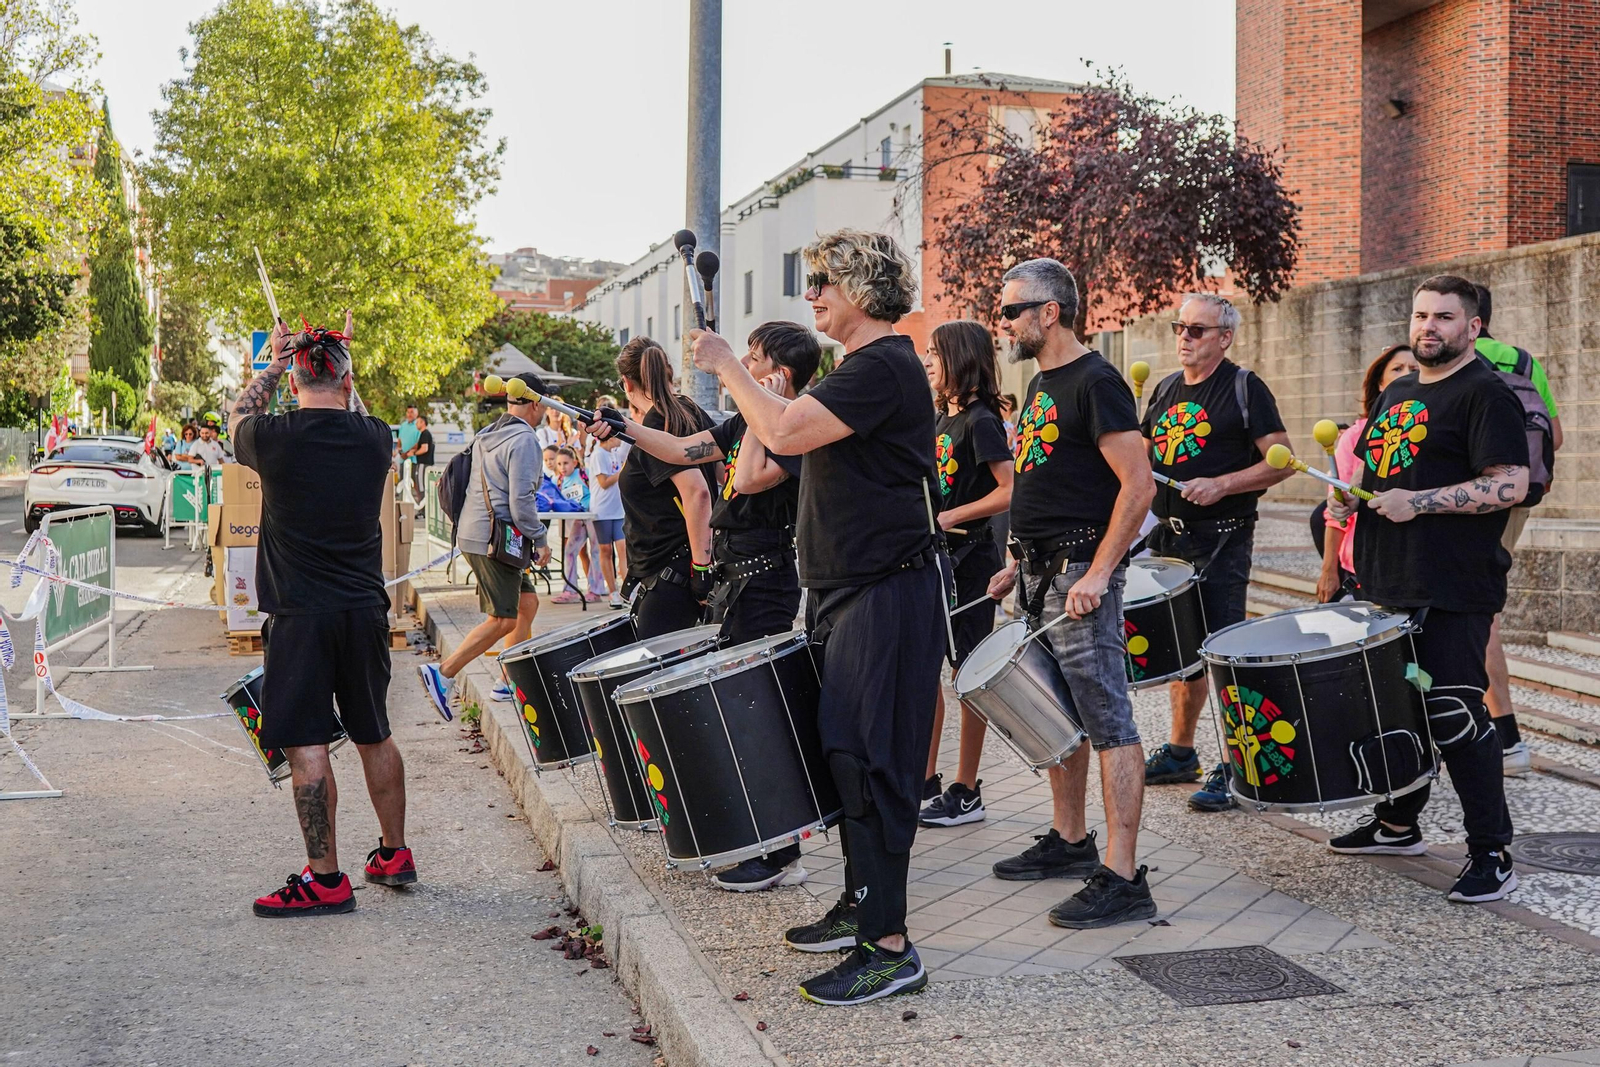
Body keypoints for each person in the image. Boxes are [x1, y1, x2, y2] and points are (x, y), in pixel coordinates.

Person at [690, 229, 942, 1006]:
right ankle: (863, 905)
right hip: (845, 593)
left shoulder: (885, 364)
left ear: (863, 289)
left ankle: (889, 946)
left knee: (873, 763)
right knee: (842, 759)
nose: (812, 295)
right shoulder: (858, 369)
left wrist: (730, 365)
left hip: (886, 595)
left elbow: (784, 430)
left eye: (824, 280)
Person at [586, 321, 822, 892]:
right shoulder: (751, 417)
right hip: (735, 581)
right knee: (737, 710)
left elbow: (743, 477)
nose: (740, 362)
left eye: (752, 358)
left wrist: (759, 394)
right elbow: (680, 451)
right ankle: (758, 835)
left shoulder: (795, 425)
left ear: (779, 375)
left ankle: (780, 849)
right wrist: (625, 428)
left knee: (759, 712)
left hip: (767, 583)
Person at [1325, 275, 1526, 904]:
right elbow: (1385, 474)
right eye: (1420, 316)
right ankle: (1397, 824)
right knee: (1394, 712)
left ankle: (1492, 850)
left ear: (1473, 328)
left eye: (1444, 317)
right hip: (1387, 578)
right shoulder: (1401, 392)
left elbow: (1511, 483)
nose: (1428, 327)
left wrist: (1424, 502)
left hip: (1453, 585)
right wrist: (1350, 493)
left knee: (1456, 714)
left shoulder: (1486, 395)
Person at [980, 259, 1158, 925]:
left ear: (1048, 311)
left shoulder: (1097, 381)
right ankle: (1071, 840)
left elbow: (1138, 485)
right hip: (1038, 575)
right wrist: (1016, 559)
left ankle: (1123, 873)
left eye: (1012, 311)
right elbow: (1048, 482)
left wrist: (1100, 571)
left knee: (1107, 720)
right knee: (1058, 717)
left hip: (1079, 577)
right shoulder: (1042, 383)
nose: (1005, 323)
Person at [230, 315, 416, 916]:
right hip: (364, 609)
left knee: (306, 742)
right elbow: (353, 402)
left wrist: (275, 362)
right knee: (373, 731)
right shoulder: (375, 437)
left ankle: (325, 878)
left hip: (301, 614)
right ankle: (394, 852)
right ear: (348, 379)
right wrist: (330, 352)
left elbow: (236, 417)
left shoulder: (274, 438)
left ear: (294, 384)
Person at [1139, 293, 1292, 812]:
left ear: (1224, 338)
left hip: (1223, 539)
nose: (1184, 337)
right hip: (1170, 539)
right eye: (1179, 327)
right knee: (1183, 652)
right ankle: (1182, 752)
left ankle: (1240, 764)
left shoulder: (1245, 387)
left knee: (1225, 654)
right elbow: (1143, 451)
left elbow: (1283, 460)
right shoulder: (1163, 389)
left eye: (1197, 330)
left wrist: (1224, 483)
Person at [917, 320, 1013, 828]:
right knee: (927, 669)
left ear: (961, 358)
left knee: (968, 677)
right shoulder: (937, 419)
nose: (928, 360)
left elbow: (1007, 488)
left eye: (935, 352)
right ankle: (925, 779)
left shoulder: (981, 421)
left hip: (973, 563)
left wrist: (953, 516)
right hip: (937, 563)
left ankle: (967, 788)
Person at [418, 371, 553, 720]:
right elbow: (521, 500)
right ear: (536, 403)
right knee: (502, 620)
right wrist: (540, 539)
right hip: (497, 539)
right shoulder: (524, 441)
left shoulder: (488, 433)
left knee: (526, 603)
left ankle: (507, 681)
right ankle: (443, 673)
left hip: (477, 533)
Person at [1472, 283, 1561, 777]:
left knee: (1476, 613)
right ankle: (1500, 735)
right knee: (1482, 607)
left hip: (1459, 500)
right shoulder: (1523, 362)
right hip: (1517, 499)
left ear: (1468, 320)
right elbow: (1557, 436)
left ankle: (1502, 735)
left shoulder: (1444, 360)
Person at [613, 337, 716, 638]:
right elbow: (723, 474)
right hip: (676, 570)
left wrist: (701, 570)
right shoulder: (689, 410)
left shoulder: (656, 425)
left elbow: (697, 492)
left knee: (649, 678)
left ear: (626, 384)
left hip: (673, 574)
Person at [1315, 345, 1419, 603]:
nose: (1407, 374)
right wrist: (1329, 570)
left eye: (1414, 369)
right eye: (1397, 368)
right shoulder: (1354, 436)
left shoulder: (1428, 428)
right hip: (1365, 568)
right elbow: (1336, 509)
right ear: (1381, 384)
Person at [588, 424, 629, 609]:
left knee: (623, 549)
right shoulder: (599, 454)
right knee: (606, 550)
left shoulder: (613, 454)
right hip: (602, 510)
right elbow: (603, 482)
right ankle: (612, 591)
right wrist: (622, 474)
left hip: (617, 509)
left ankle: (627, 591)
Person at [405, 413, 434, 511]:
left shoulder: (425, 433)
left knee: (421, 485)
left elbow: (424, 448)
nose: (416, 424)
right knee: (422, 485)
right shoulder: (424, 434)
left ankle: (423, 509)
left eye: (417, 422)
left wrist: (414, 453)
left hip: (423, 464)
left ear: (422, 423)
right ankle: (424, 509)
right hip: (425, 464)